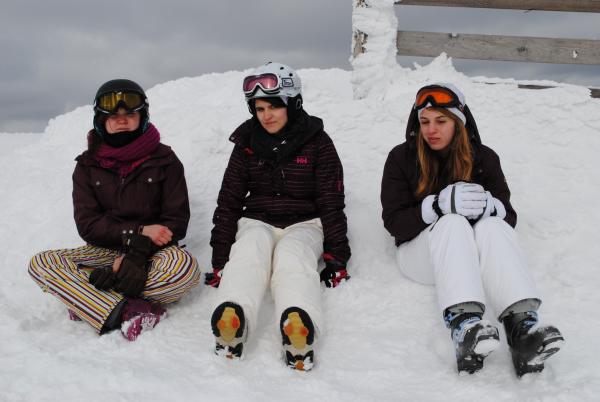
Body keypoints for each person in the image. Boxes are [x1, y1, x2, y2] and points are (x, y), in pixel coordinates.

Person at [380, 83, 564, 376]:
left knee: (492, 224)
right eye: (424, 121)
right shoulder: (401, 158)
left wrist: (490, 206)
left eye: (441, 121)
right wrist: (435, 207)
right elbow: (394, 222)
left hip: (471, 256)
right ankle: (465, 328)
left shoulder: (484, 158)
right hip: (420, 257)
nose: (431, 130)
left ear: (459, 121)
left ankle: (522, 331)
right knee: (451, 222)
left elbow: (508, 218)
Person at [28, 79, 200, 341]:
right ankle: (126, 310)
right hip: (104, 251)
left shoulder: (165, 159)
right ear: (101, 120)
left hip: (153, 253)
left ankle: (88, 299)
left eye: (130, 114)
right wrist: (138, 231)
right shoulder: (86, 166)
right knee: (42, 264)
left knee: (184, 269)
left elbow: (176, 221)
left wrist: (137, 254)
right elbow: (88, 225)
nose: (122, 120)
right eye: (113, 116)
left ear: (142, 117)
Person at [206, 62, 351, 371]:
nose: (266, 115)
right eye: (259, 109)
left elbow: (330, 201)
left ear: (293, 103)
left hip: (304, 223)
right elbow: (229, 200)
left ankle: (298, 325)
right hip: (257, 221)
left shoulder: (318, 143)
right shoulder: (246, 143)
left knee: (293, 260)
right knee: (248, 253)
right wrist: (220, 259)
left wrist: (337, 258)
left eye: (274, 106)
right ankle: (233, 318)